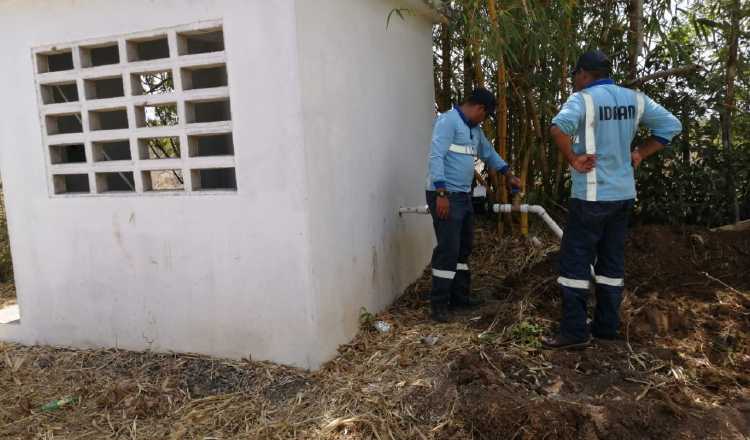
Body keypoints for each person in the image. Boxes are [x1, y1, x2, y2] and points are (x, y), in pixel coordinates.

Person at [543, 50, 682, 348]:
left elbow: (558, 127)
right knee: (611, 262)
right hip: (622, 196)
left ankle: (574, 332)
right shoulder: (635, 99)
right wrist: (640, 153)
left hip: (591, 195)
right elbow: (672, 125)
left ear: (583, 74)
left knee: (575, 264)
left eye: (575, 76)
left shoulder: (582, 99)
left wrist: (573, 158)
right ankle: (606, 327)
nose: (574, 82)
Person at [426, 88, 521, 322]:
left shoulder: (474, 130)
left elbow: (488, 153)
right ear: (479, 108)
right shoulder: (448, 122)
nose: (485, 120)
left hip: (463, 196)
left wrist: (508, 174)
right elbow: (435, 156)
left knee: (463, 248)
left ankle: (459, 298)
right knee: (448, 249)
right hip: (445, 195)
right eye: (486, 115)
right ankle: (439, 305)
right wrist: (441, 192)